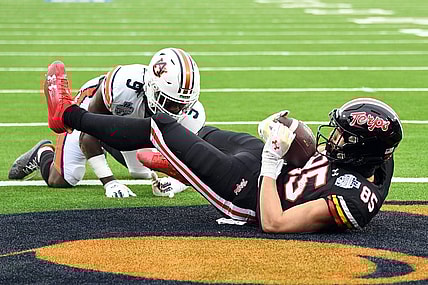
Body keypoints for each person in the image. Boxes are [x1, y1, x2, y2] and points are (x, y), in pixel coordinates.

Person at [43, 60, 403, 233]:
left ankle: (67, 115)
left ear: (363, 150)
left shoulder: (350, 201)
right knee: (192, 132)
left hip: (248, 191)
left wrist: (272, 161)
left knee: (161, 127)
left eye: (344, 137)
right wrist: (295, 136)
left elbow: (275, 223)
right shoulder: (376, 159)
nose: (334, 139)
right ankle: (179, 162)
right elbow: (315, 161)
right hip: (267, 168)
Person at [8, 48, 205, 198]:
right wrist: (109, 181)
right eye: (170, 103)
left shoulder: (193, 114)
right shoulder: (121, 86)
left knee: (142, 172)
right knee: (64, 177)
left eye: (183, 104)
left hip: (131, 125)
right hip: (97, 110)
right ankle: (43, 152)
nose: (178, 111)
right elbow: (89, 133)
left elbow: (191, 164)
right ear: (152, 88)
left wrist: (174, 184)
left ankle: (110, 142)